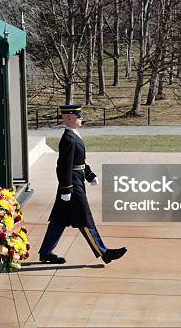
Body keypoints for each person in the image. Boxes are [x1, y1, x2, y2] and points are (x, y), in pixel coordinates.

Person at [38, 105, 127, 265]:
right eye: (78, 116)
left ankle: (45, 252)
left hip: (75, 182)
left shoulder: (73, 136)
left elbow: (79, 162)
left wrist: (89, 175)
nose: (81, 118)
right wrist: (66, 188)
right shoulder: (68, 139)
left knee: (59, 220)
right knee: (85, 220)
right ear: (69, 117)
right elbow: (63, 166)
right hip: (72, 186)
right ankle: (104, 252)